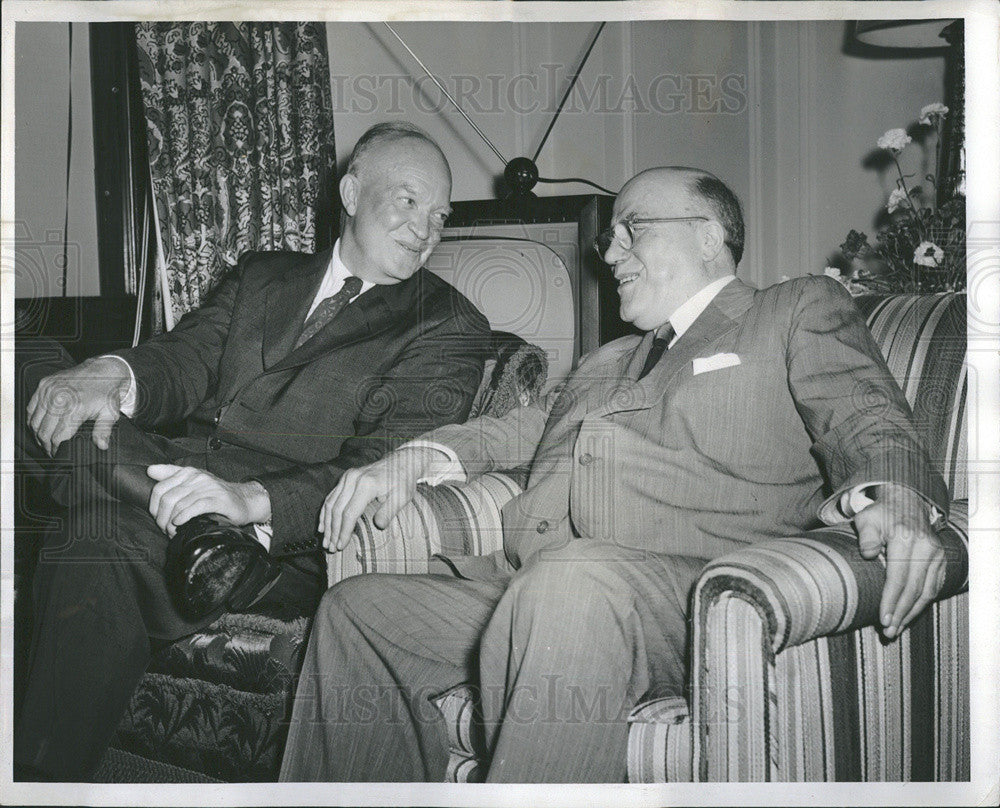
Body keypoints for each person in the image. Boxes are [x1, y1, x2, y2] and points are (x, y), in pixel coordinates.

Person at [278, 166, 951, 784]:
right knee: (356, 611)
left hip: (701, 594)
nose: (609, 251)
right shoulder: (607, 360)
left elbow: (863, 409)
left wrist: (895, 493)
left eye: (633, 229)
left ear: (709, 236)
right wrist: (414, 459)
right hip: (540, 587)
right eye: (610, 237)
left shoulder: (791, 310)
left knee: (572, 581)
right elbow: (519, 428)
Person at [14, 122, 491, 780]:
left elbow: (380, 461)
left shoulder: (448, 325)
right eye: (409, 200)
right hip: (177, 476)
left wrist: (244, 501)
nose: (427, 227)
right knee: (28, 360)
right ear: (352, 193)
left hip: (273, 544)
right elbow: (184, 361)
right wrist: (110, 376)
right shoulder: (264, 275)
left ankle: (39, 783)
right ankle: (174, 508)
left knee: (92, 538)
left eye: (440, 214)